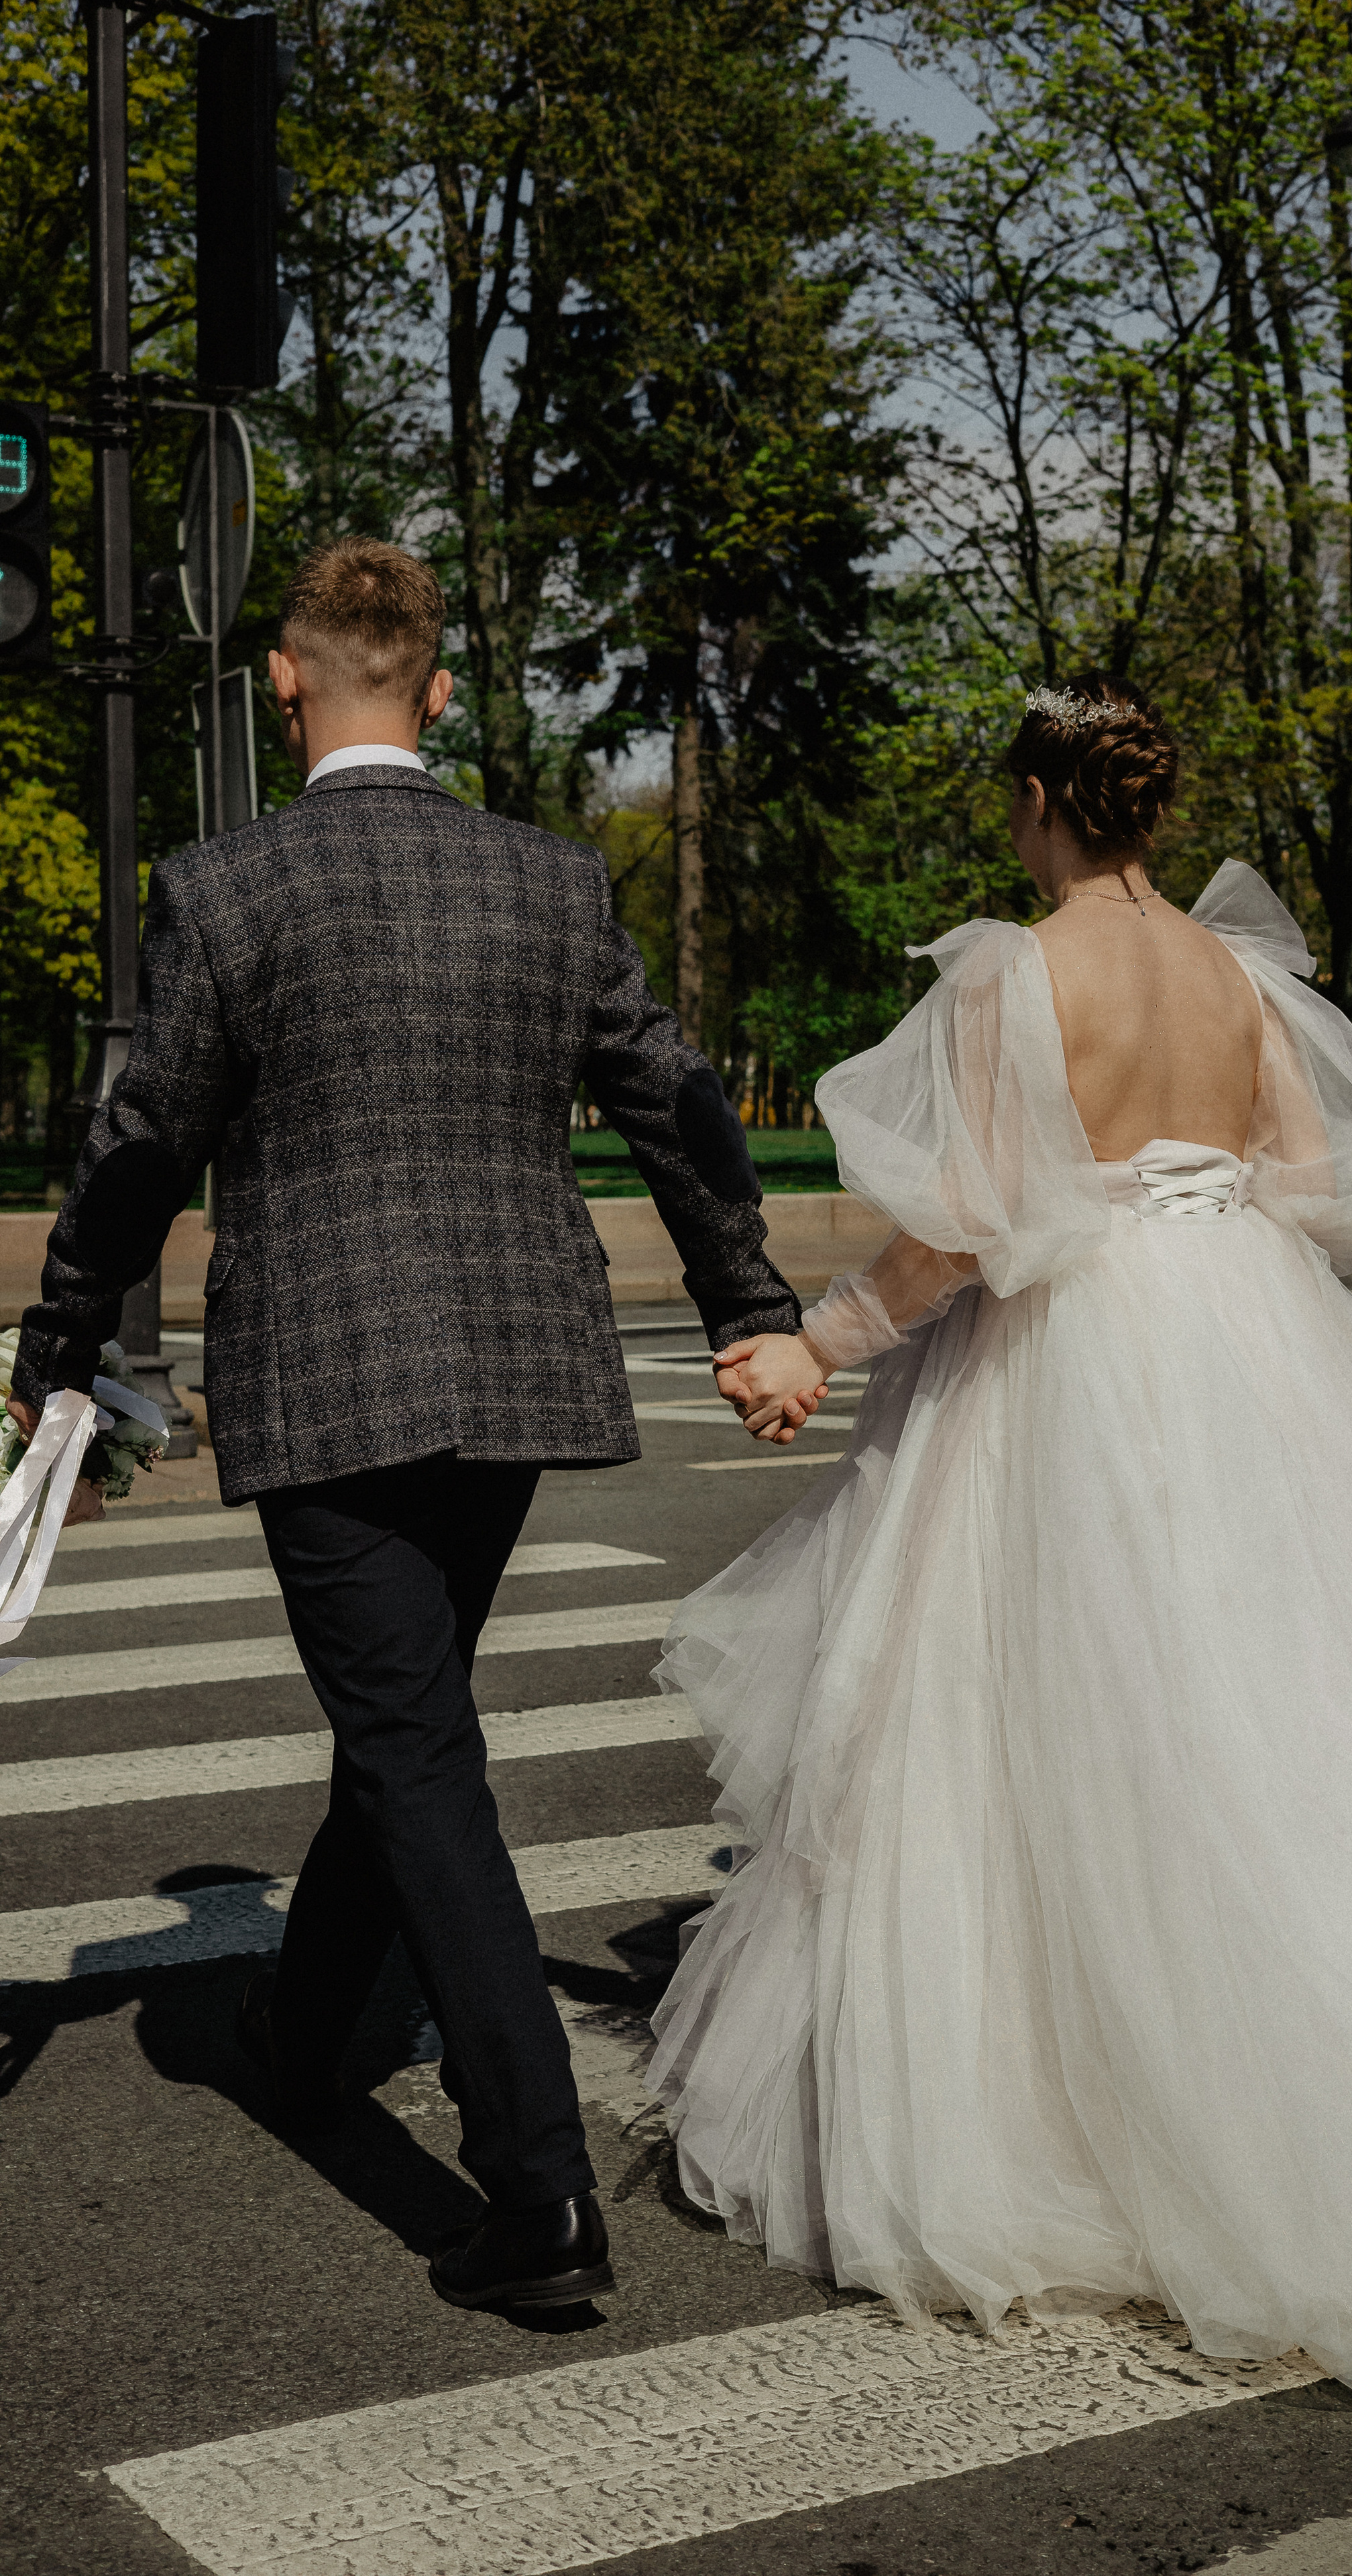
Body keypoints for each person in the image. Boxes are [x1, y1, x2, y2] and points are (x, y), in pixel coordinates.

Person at [642, 677, 1352, 2450]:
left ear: (1048, 803)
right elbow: (1312, 1179)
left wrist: (814, 1346)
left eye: (1014, 801)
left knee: (1060, 1718)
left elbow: (969, 1223)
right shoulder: (1237, 975)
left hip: (1081, 1349)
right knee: (1306, 1711)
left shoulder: (1012, 972)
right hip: (1244, 1329)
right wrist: (1191, 1221)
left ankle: (1121, 2111)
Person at [4, 536, 808, 2314]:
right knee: (410, 1712)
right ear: (438, 690)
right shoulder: (546, 883)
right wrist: (749, 1303)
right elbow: (677, 1103)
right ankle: (303, 2033)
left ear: (282, 684)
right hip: (519, 1366)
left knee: (417, 1742)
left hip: (332, 1371)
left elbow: (143, 1138)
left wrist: (62, 1331)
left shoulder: (230, 890)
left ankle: (533, 2190)